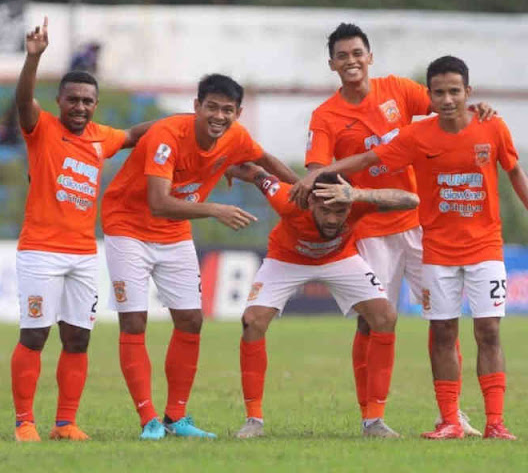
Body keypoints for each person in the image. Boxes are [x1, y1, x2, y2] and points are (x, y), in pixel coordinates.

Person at [308, 55, 528, 440]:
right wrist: (317, 175)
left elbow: (514, 173)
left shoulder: (492, 127)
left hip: (485, 249)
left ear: (468, 93)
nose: (446, 99)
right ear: (429, 95)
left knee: (489, 331)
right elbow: (369, 157)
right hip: (435, 250)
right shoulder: (416, 136)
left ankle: (494, 422)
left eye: (454, 91)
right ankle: (444, 421)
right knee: (438, 331)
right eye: (439, 92)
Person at [101, 73, 299, 440]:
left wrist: (301, 190)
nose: (219, 116)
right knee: (133, 322)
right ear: (196, 107)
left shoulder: (235, 137)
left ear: (238, 113)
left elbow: (266, 159)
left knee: (191, 320)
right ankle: (149, 421)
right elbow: (159, 203)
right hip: (127, 227)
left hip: (173, 233)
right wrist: (214, 210)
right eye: (212, 107)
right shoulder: (166, 136)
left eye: (228, 110)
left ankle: (176, 418)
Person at [10, 17, 157, 443]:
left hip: (82, 254)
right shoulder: (41, 130)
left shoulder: (99, 137)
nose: (79, 107)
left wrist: (179, 123)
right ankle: (24, 423)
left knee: (77, 338)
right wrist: (32, 59)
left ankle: (65, 423)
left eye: (87, 101)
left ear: (95, 103)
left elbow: (132, 135)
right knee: (35, 334)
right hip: (39, 250)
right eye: (72, 99)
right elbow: (23, 101)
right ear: (58, 100)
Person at [229, 163, 418, 439]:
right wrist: (227, 167)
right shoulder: (288, 198)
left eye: (339, 212)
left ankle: (374, 422)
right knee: (252, 321)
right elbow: (257, 174)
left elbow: (411, 200)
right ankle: (253, 420)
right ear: (311, 201)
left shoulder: (355, 202)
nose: (332, 219)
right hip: (286, 259)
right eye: (325, 211)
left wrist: (357, 195)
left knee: (385, 317)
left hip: (339, 259)